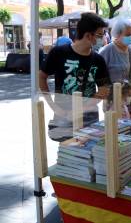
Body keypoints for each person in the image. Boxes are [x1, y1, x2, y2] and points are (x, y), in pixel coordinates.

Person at [39, 12, 110, 140]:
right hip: (64, 115)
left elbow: (105, 89)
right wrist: (54, 107)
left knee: (89, 153)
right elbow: (41, 77)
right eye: (100, 35)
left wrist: (83, 107)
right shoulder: (58, 53)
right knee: (67, 154)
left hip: (90, 117)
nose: (103, 38)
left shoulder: (98, 60)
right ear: (88, 35)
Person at [99, 19, 131, 118]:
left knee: (130, 129)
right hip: (114, 101)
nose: (130, 37)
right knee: (115, 130)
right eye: (127, 34)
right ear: (117, 34)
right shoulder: (107, 51)